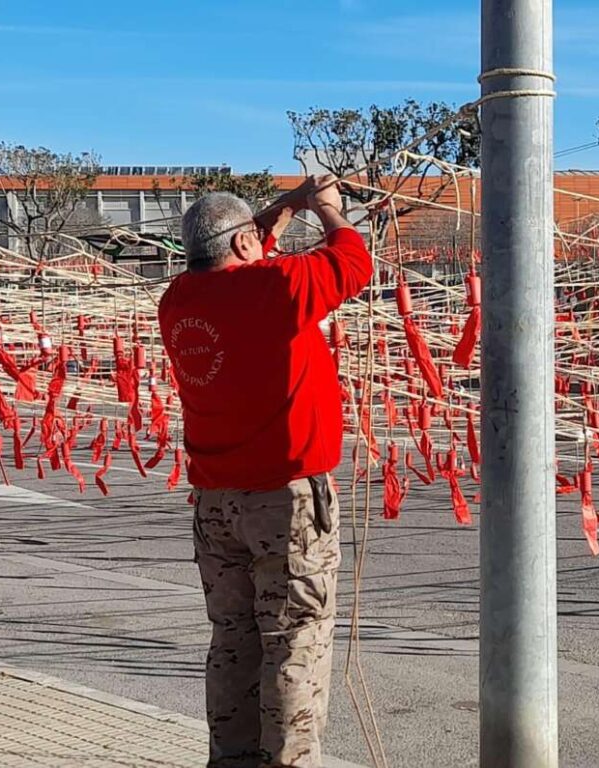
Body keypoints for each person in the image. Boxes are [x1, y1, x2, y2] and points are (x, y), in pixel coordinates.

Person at [158, 175, 372, 768]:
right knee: (294, 640)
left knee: (234, 639)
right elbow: (353, 261)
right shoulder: (278, 286)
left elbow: (245, 269)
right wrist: (327, 208)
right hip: (286, 499)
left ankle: (230, 759)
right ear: (246, 246)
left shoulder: (176, 299)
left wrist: (272, 218)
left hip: (215, 504)